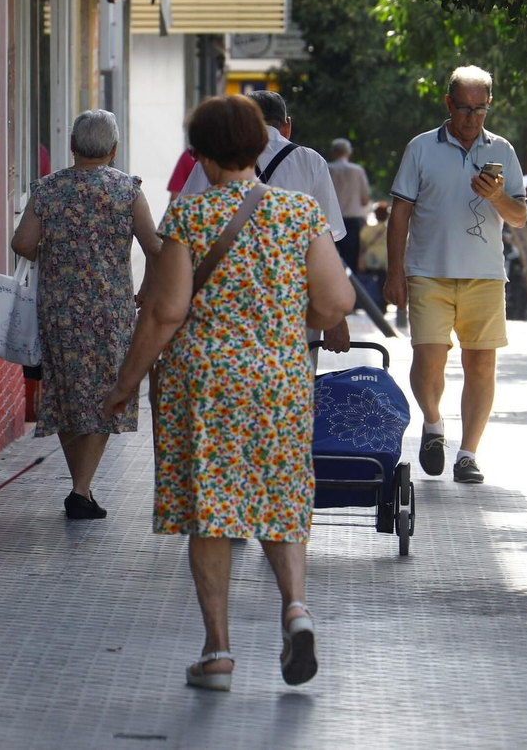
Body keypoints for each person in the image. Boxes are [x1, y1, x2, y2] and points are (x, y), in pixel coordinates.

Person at [104, 95, 354, 691]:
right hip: (279, 380)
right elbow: (338, 302)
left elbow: (164, 312)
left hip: (205, 384)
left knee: (212, 513)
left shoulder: (190, 219)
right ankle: (295, 608)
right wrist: (293, 316)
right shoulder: (299, 214)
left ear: (206, 156)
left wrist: (126, 381)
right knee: (280, 496)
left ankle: (218, 652)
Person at [12, 110, 162, 519]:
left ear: (72, 147)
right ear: (113, 150)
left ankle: (81, 489)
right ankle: (81, 489)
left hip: (59, 307)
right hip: (110, 309)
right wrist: (146, 289)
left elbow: (22, 243)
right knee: (105, 392)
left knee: (64, 390)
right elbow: (156, 248)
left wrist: (58, 248)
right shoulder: (127, 191)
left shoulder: (48, 189)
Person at [383, 66, 527, 485]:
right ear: (448, 104)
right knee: (429, 358)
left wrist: (497, 195)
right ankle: (432, 425)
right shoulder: (422, 148)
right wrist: (396, 273)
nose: (471, 118)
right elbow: (400, 215)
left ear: (489, 106)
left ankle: (468, 454)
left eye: (480, 109)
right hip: (429, 272)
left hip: (485, 276)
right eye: (464, 108)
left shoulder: (504, 151)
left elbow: (519, 218)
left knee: (481, 364)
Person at [177, 89, 351, 353]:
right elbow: (327, 239)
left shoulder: (212, 162)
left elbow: (184, 235)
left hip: (222, 302)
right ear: (287, 126)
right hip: (292, 300)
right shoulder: (310, 162)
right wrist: (336, 319)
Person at [326, 137, 371, 273]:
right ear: (348, 153)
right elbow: (365, 200)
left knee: (329, 262)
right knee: (350, 263)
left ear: (333, 153)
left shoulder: (327, 168)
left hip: (330, 221)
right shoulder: (358, 171)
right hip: (353, 222)